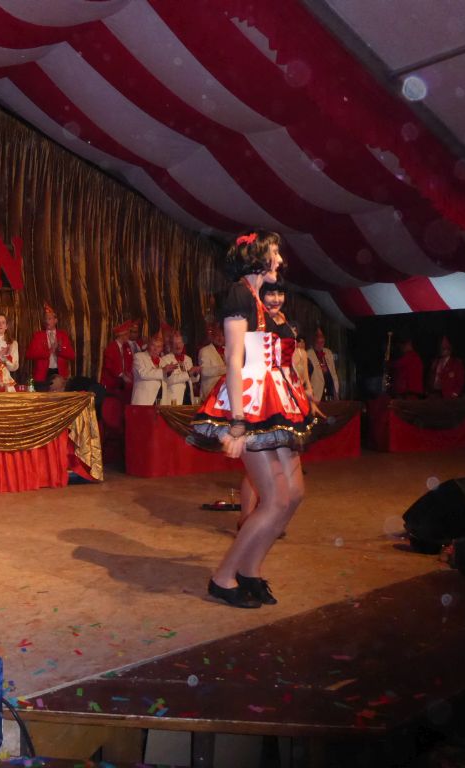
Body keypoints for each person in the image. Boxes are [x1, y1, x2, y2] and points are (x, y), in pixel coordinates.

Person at [191, 231, 314, 609]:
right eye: (275, 252)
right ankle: (222, 577)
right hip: (250, 401)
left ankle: (250, 571)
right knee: (275, 500)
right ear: (257, 256)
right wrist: (238, 422)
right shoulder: (238, 295)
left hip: (274, 400)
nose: (280, 259)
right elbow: (234, 359)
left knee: (294, 495)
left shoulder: (260, 300)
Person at [27, 302, 76, 391]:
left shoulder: (63, 335)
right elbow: (30, 354)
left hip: (59, 373)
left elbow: (72, 355)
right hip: (42, 374)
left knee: (59, 398)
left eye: (49, 318)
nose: (47, 321)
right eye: (45, 319)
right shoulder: (38, 335)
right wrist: (49, 351)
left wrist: (60, 350)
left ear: (55, 320)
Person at [131, 333, 173, 405]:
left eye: (158, 346)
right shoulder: (139, 356)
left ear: (161, 348)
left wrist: (169, 373)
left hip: (160, 402)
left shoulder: (163, 361)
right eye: (153, 345)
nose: (155, 349)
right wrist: (163, 371)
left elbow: (165, 381)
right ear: (148, 345)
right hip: (143, 401)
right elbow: (143, 374)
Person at [101, 320, 135, 399]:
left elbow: (130, 361)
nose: (129, 336)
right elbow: (109, 366)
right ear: (122, 335)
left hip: (123, 384)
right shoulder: (111, 348)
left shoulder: (126, 346)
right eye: (127, 334)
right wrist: (122, 375)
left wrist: (129, 374)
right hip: (111, 384)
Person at [164, 331, 200, 405]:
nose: (178, 346)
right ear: (170, 345)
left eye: (180, 343)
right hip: (174, 400)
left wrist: (195, 374)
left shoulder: (188, 359)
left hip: (189, 399)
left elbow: (191, 380)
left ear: (183, 344)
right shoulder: (165, 359)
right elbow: (169, 380)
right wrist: (189, 373)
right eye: (175, 343)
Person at [307, 327, 339, 402]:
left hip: (330, 393)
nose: (320, 344)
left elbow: (334, 374)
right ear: (314, 340)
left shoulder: (328, 353)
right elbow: (307, 377)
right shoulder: (308, 354)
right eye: (317, 341)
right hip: (316, 394)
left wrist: (336, 392)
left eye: (322, 341)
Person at [197, 323, 226, 403]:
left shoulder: (228, 351)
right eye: (217, 335)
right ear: (212, 336)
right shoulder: (204, 350)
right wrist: (227, 369)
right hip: (209, 395)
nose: (220, 338)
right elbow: (204, 371)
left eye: (222, 335)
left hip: (225, 395)